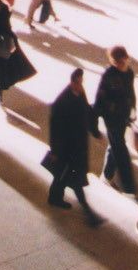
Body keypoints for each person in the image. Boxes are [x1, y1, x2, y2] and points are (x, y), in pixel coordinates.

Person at [44, 68, 105, 226]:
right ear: (72, 82)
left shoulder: (79, 93)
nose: (80, 85)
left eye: (81, 82)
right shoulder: (61, 102)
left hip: (77, 146)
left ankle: (54, 197)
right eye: (78, 82)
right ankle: (89, 214)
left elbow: (87, 112)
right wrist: (55, 150)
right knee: (76, 180)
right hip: (68, 148)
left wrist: (95, 132)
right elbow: (55, 128)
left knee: (62, 175)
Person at [94, 45, 138, 195]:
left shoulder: (129, 73)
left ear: (126, 58)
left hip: (124, 115)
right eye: (116, 62)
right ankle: (130, 188)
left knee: (115, 144)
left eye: (121, 61)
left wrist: (133, 109)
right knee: (120, 148)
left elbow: (131, 93)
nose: (119, 65)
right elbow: (99, 99)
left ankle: (106, 176)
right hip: (111, 118)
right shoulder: (108, 75)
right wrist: (94, 124)